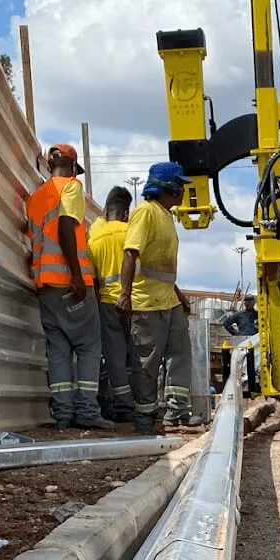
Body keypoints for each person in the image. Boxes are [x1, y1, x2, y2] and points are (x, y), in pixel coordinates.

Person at [26, 144, 112, 431]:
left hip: (45, 285)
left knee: (59, 349)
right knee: (88, 346)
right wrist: (77, 276)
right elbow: (65, 227)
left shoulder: (36, 197)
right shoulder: (72, 188)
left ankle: (63, 414)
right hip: (70, 282)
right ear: (73, 167)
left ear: (50, 165)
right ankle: (87, 411)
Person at [117, 161, 198, 434]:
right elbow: (131, 253)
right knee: (147, 363)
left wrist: (179, 294)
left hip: (168, 300)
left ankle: (177, 412)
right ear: (170, 188)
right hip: (147, 302)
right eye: (180, 187)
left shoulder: (166, 216)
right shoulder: (145, 213)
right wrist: (125, 294)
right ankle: (145, 417)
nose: (183, 193)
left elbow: (162, 268)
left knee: (180, 354)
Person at [88, 186, 144, 424]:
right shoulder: (131, 233)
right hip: (135, 302)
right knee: (138, 357)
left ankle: (123, 407)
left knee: (114, 358)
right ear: (125, 213)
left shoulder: (94, 237)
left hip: (106, 305)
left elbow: (91, 277)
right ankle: (140, 402)